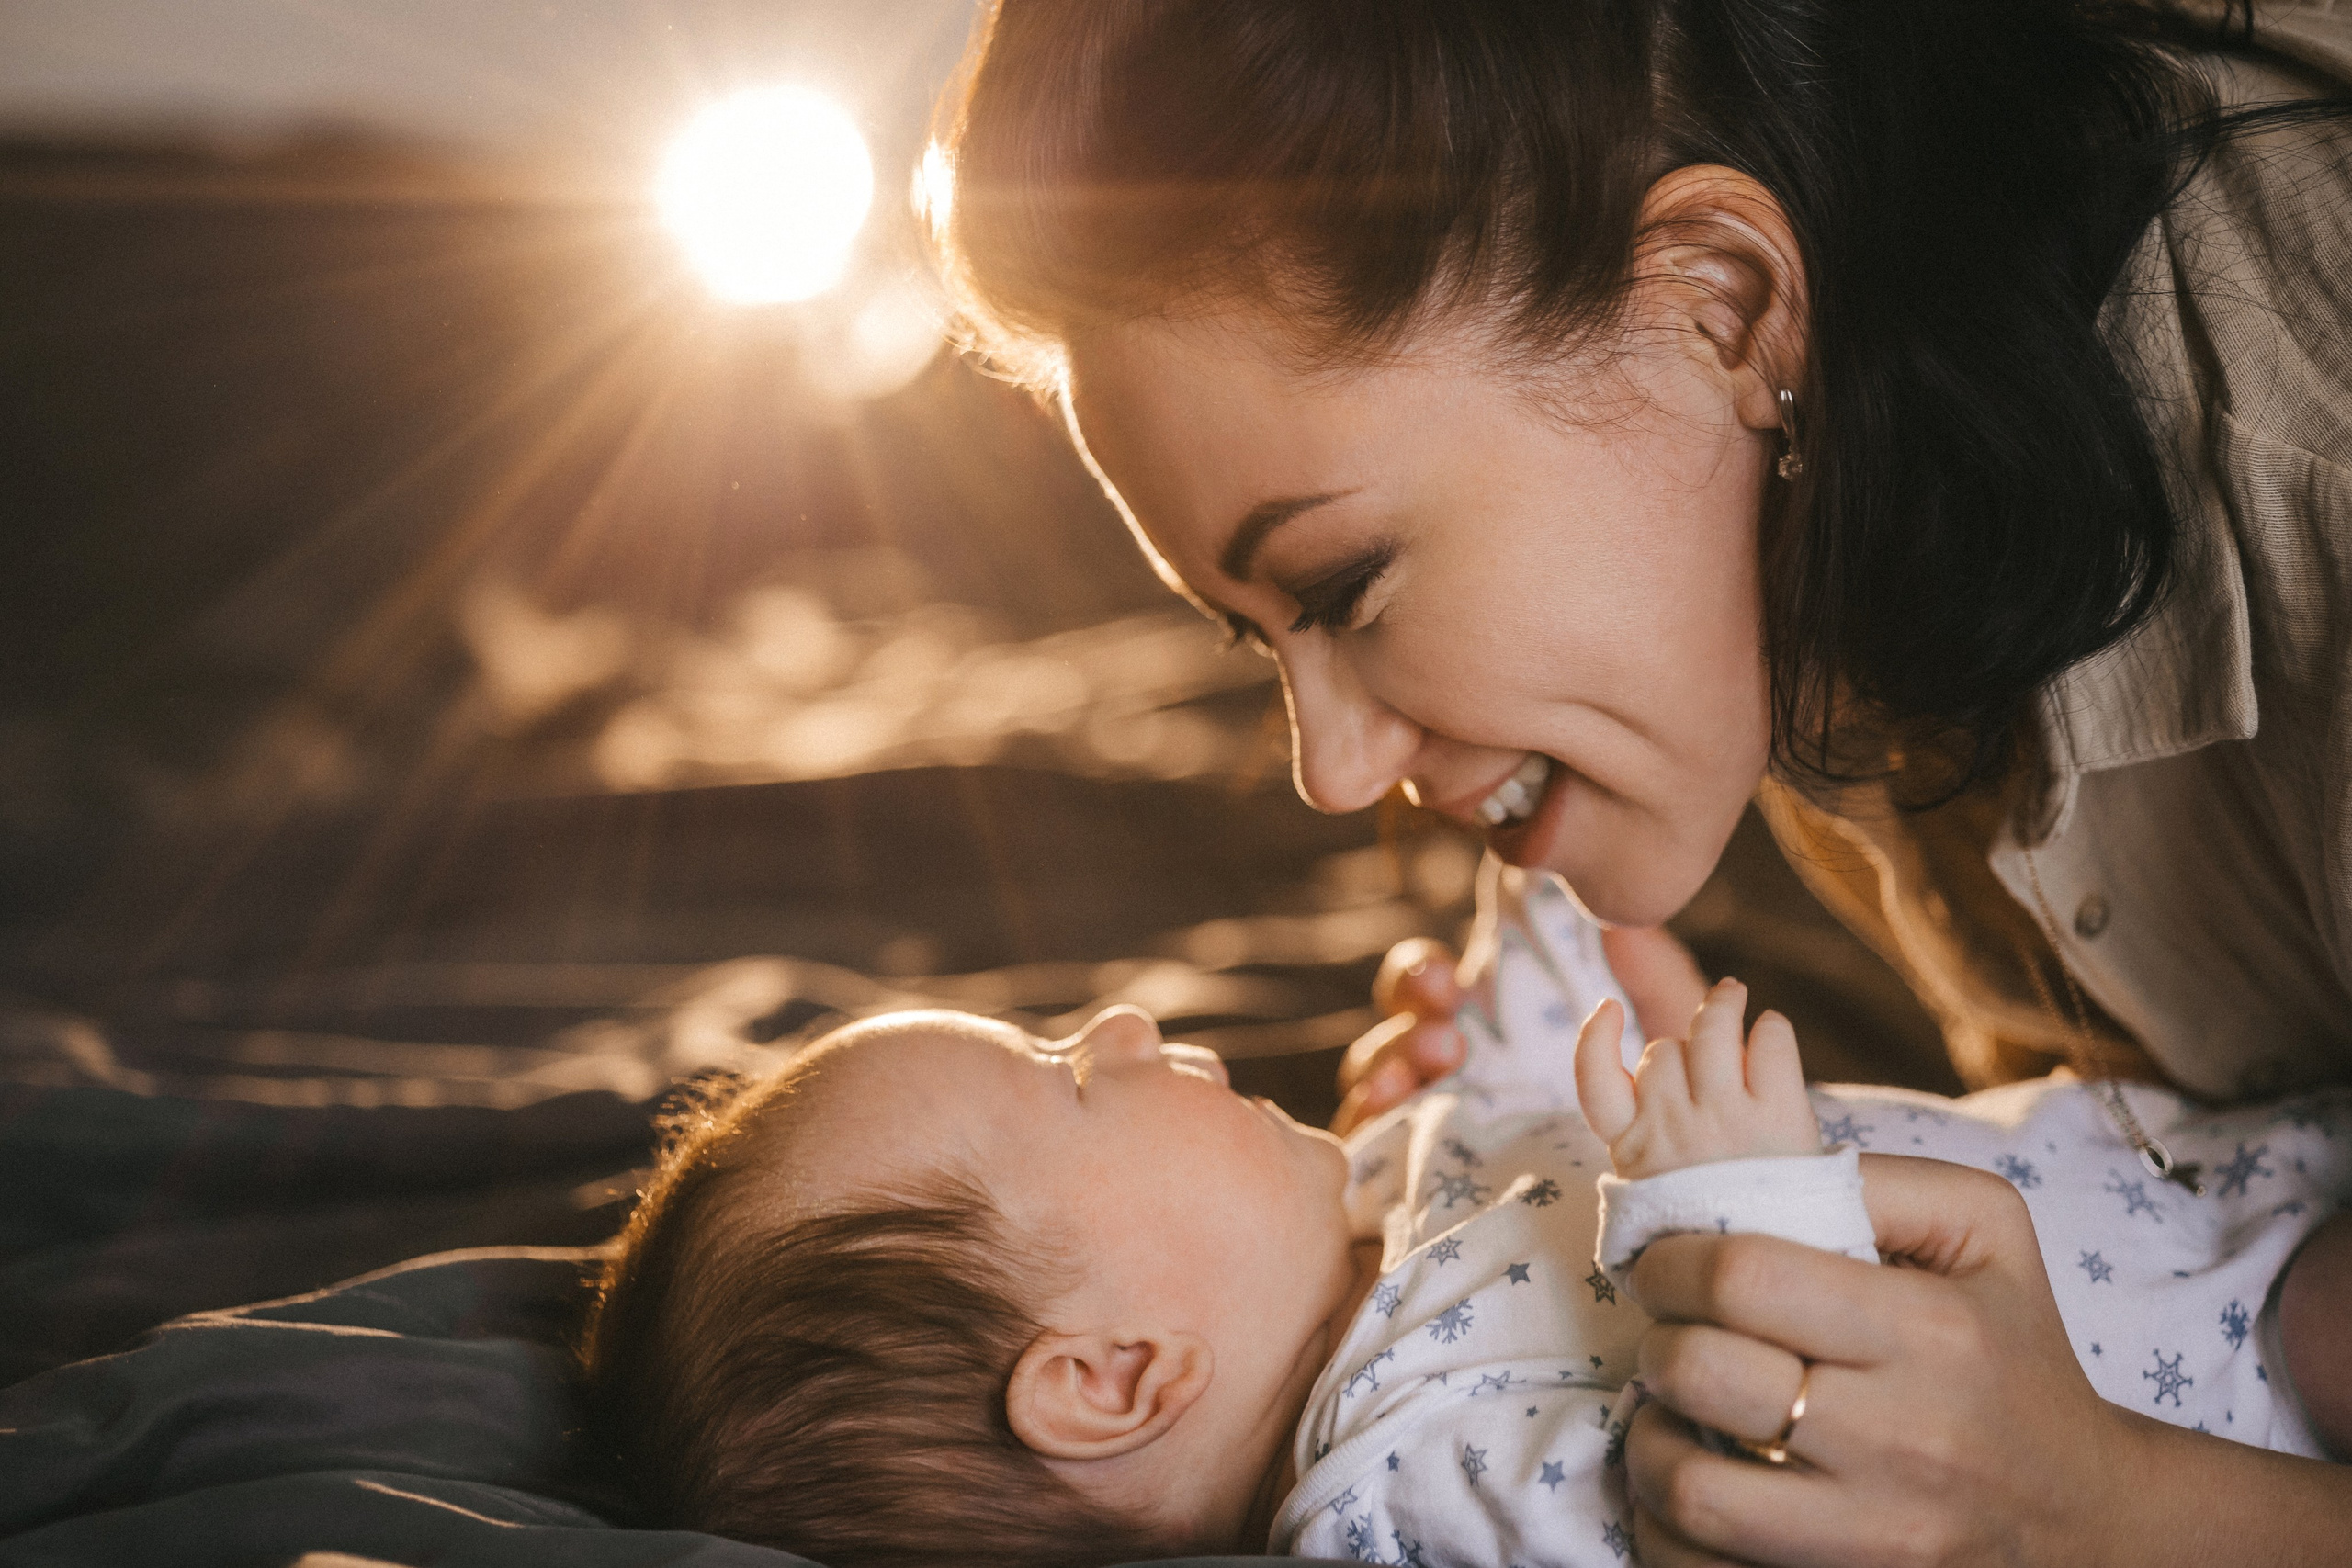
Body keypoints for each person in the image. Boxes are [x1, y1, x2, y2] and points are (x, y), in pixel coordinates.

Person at [923, 1, 2352, 1559]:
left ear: (1722, 306)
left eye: (1344, 586)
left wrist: (2111, 1514)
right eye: (1255, 642)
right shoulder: (1788, 534)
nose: (1329, 774)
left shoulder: (2314, 455)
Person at [577, 869, 2352, 1567]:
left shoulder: (1387, 1197)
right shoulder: (1402, 1495)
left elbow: (1604, 1052)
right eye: (1059, 1074)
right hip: (2204, 1382)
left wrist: (1538, 917)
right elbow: (1758, 1507)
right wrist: (1738, 1199)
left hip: (2188, 1169)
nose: (1119, 1022)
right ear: (1116, 1375)